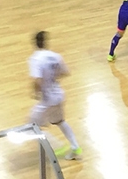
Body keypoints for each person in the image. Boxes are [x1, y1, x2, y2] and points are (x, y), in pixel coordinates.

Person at [28, 31, 82, 160]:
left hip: (47, 100)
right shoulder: (55, 56)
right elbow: (66, 72)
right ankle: (75, 147)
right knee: (59, 121)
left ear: (35, 43)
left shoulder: (35, 59)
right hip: (59, 95)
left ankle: (57, 146)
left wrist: (36, 93)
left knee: (31, 126)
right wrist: (53, 79)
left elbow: (37, 80)